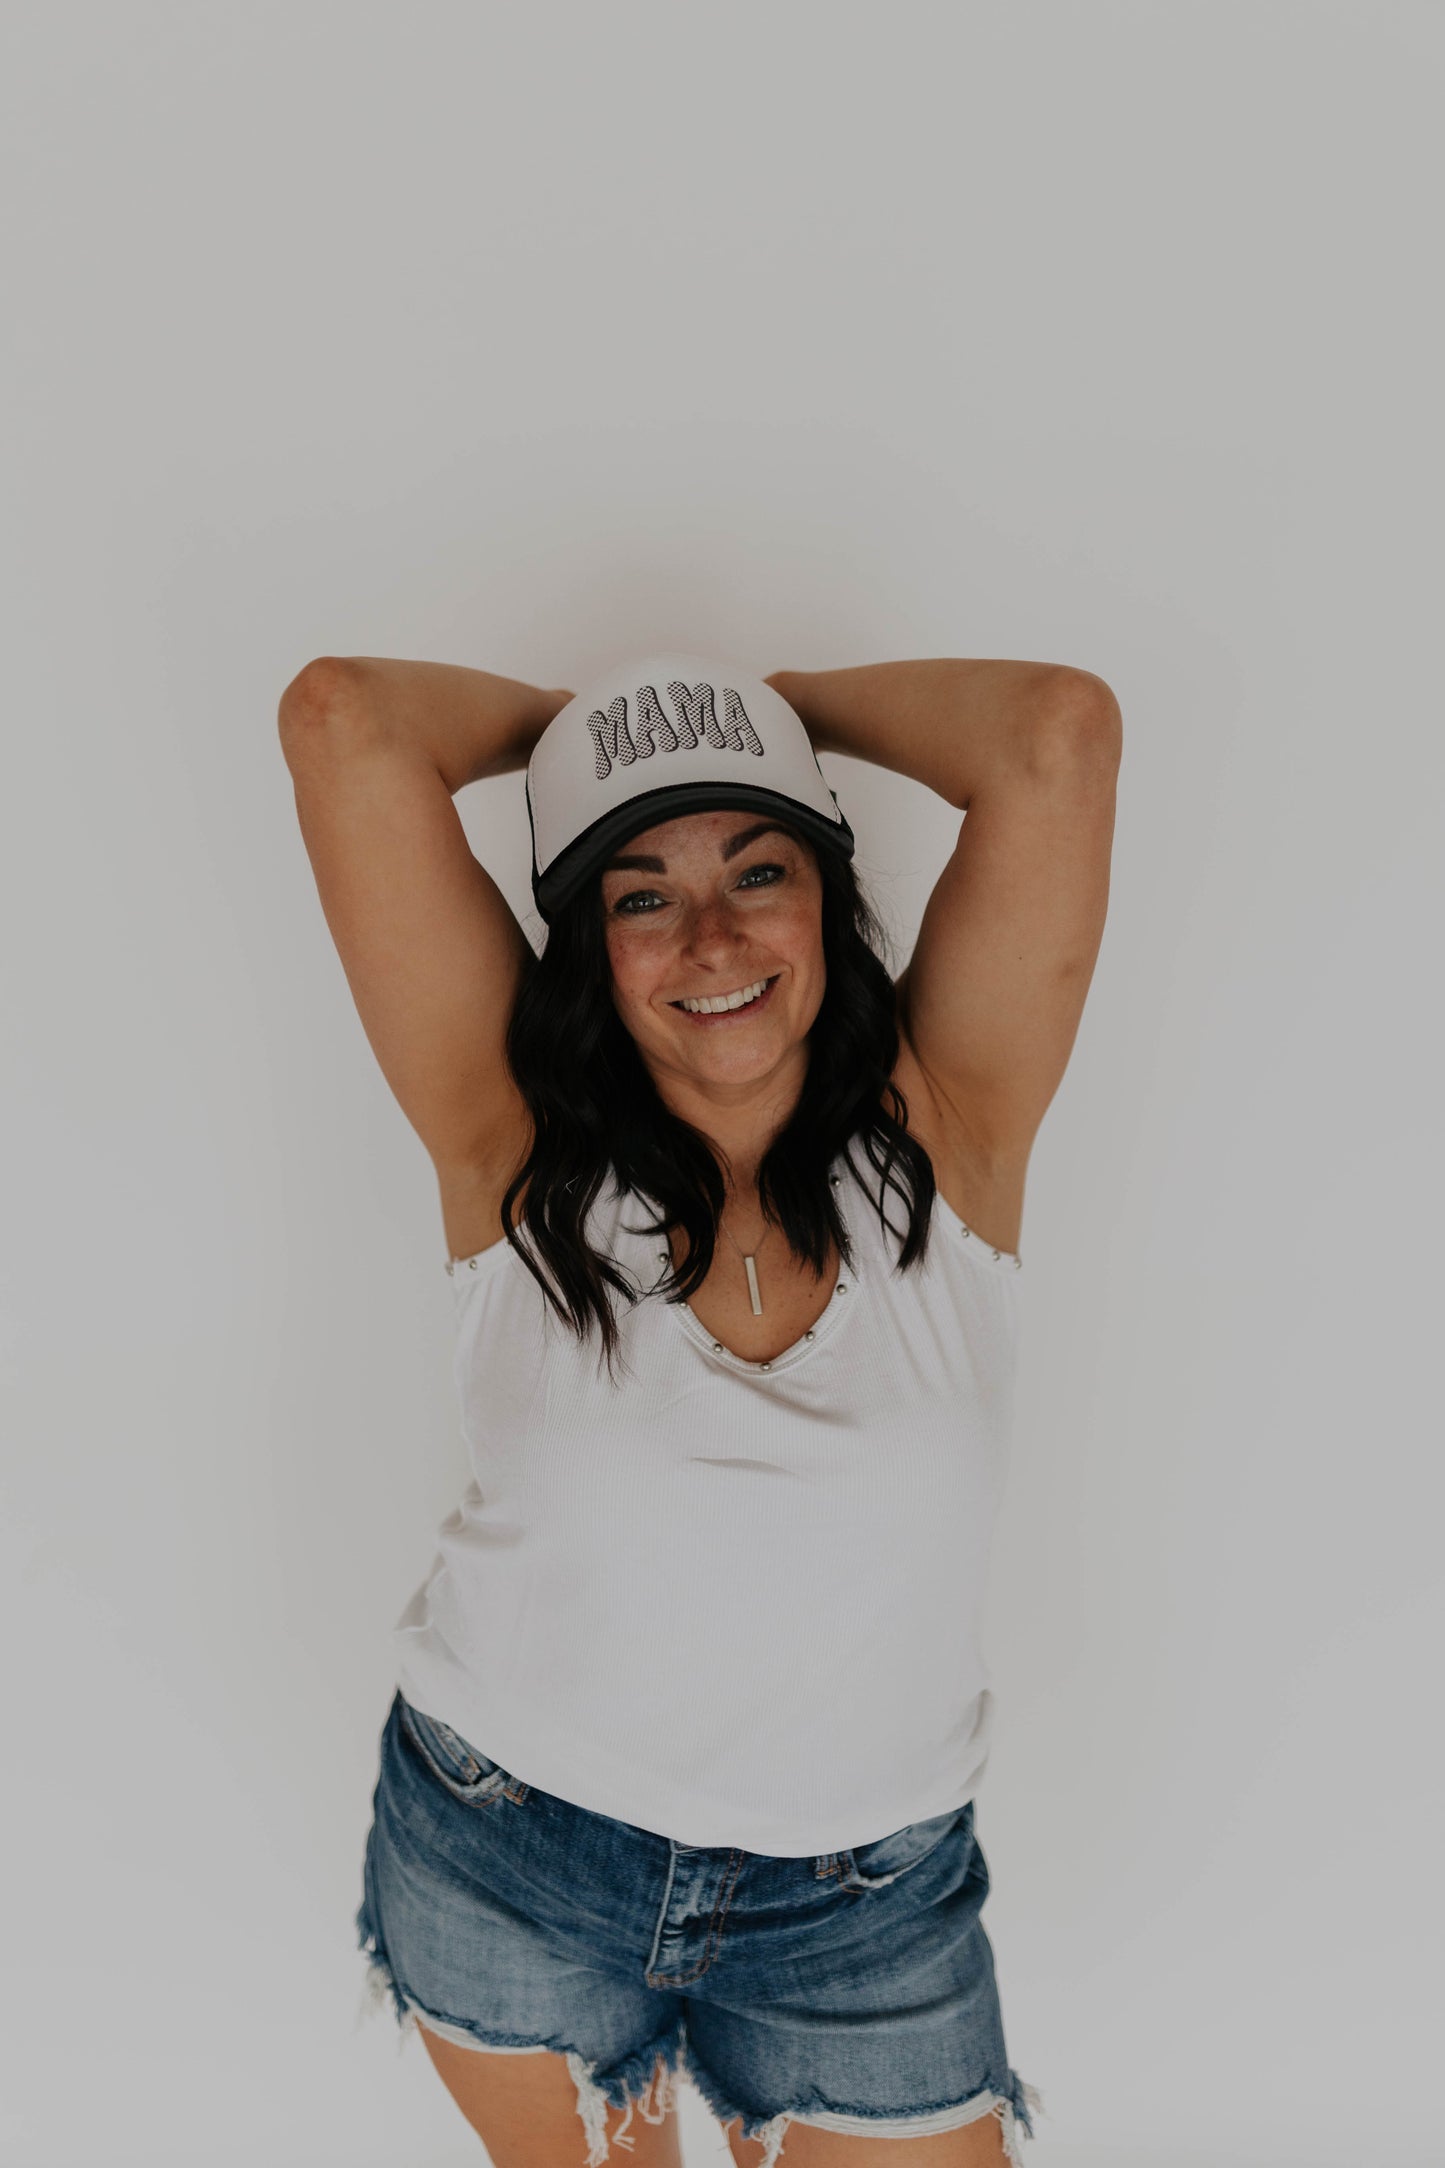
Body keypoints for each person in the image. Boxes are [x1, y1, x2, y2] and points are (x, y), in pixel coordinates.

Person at [278, 649, 1122, 2168]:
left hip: (862, 1922)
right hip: (511, 1852)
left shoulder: (952, 1141)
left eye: (759, 866)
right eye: (641, 894)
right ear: (591, 951)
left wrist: (772, 701)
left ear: (826, 899)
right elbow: (344, 720)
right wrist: (591, 743)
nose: (713, 936)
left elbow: (1056, 736)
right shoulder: (513, 1155)